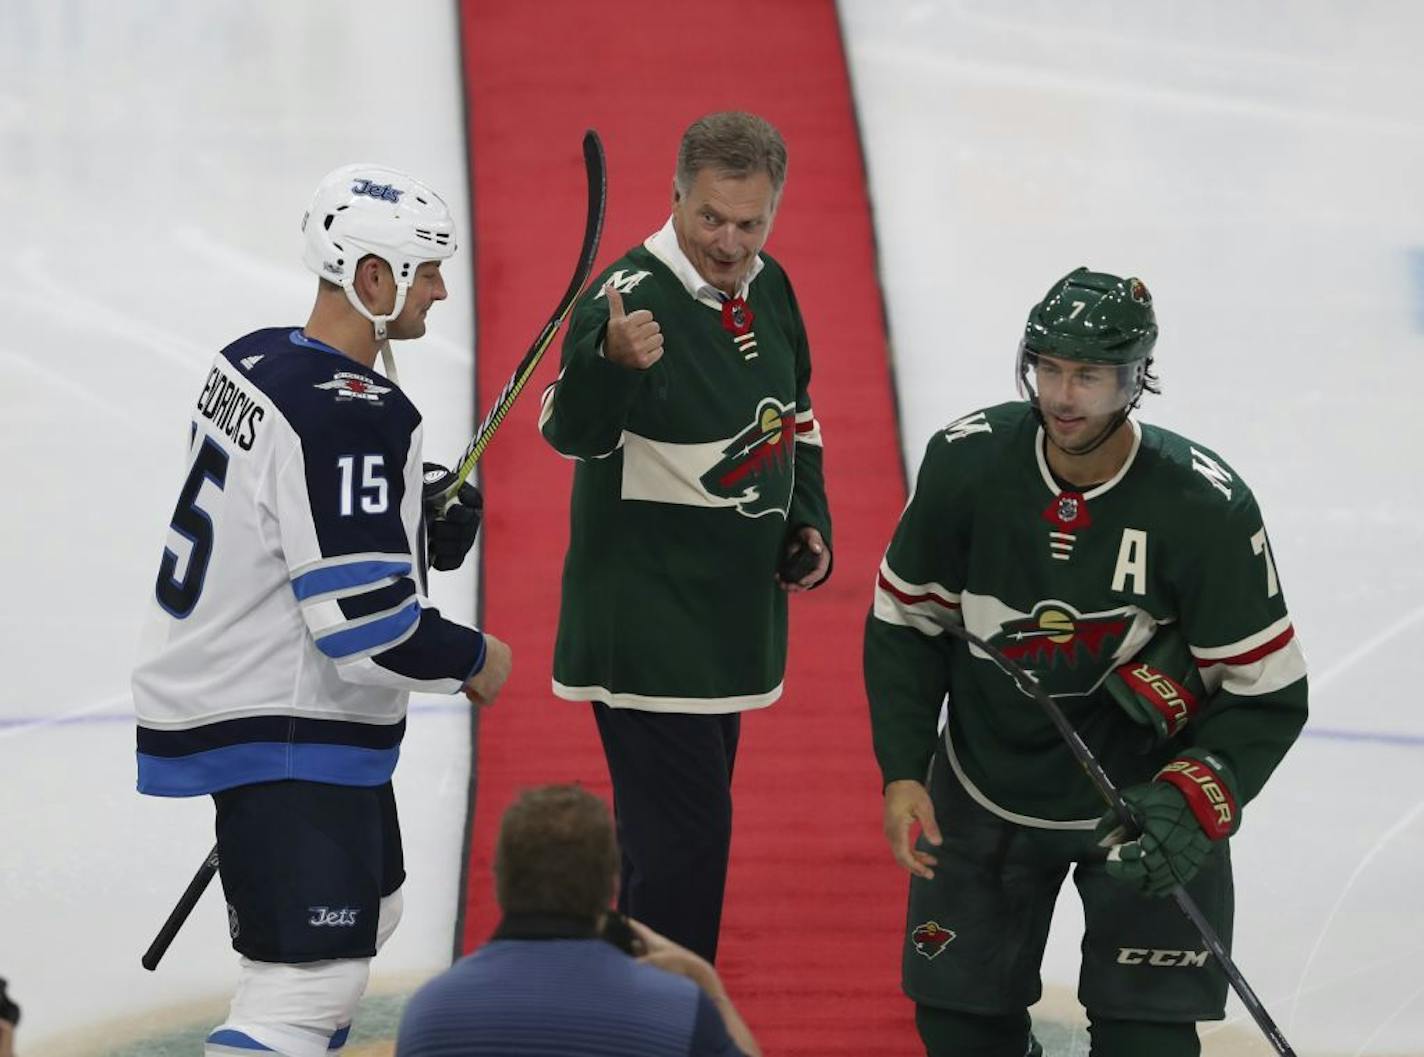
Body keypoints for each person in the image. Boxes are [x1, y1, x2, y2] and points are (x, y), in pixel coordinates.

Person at [864, 268, 1308, 1057]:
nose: (1065, 396)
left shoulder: (1206, 507)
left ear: (1135, 380)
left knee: (1150, 1043)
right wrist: (902, 768)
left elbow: (1268, 690)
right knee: (958, 1028)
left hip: (1137, 809)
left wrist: (1199, 794)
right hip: (982, 788)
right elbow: (906, 620)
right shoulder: (966, 466)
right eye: (1051, 368)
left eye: (1090, 375)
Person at [132, 164, 512, 1057]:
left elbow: (279, 508)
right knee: (302, 993)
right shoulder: (352, 414)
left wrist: (403, 507)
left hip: (245, 692)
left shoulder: (256, 356)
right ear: (371, 278)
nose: (441, 289)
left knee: (371, 915)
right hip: (283, 715)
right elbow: (367, 631)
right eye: (425, 271)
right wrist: (473, 656)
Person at [538, 111, 833, 963]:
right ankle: (666, 1023)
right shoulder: (625, 297)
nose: (730, 241)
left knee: (668, 845)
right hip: (647, 630)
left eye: (751, 222)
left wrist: (807, 520)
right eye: (711, 218)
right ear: (674, 196)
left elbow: (796, 421)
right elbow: (569, 431)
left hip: (725, 624)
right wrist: (609, 362)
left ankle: (622, 997)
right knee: (686, 849)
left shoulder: (769, 286)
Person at [396, 784, 761, 1056]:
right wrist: (709, 985)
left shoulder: (430, 1015)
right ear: (612, 881)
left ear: (498, 879)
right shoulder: (677, 1010)